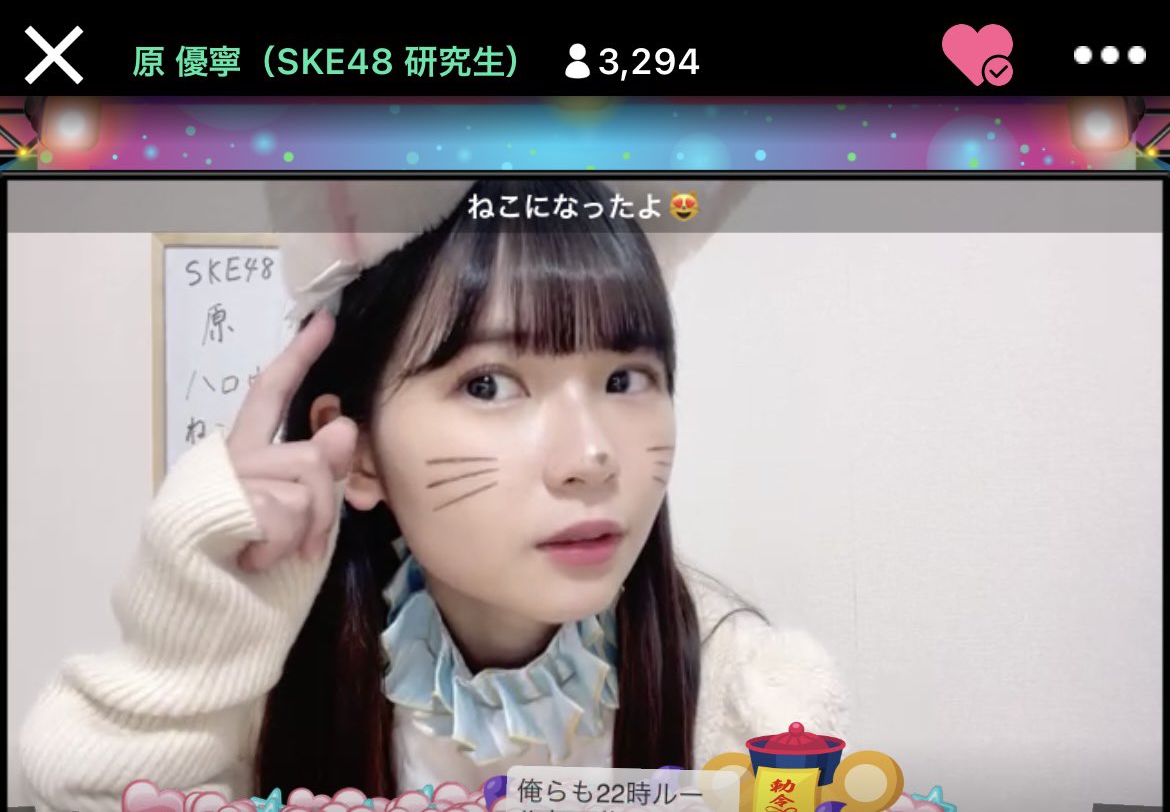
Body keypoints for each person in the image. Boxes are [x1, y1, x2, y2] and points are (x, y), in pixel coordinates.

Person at [18, 179, 847, 811]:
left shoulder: (757, 703)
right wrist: (195, 629)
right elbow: (80, 787)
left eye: (625, 378)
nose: (592, 458)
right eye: (489, 384)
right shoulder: (261, 694)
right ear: (360, 452)